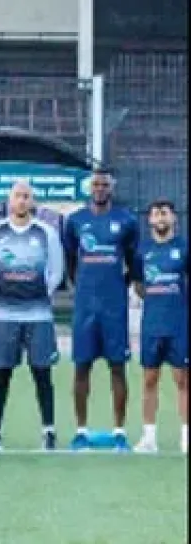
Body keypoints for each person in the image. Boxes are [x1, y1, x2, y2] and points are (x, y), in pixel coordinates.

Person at [0, 181, 64, 451]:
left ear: (32, 201)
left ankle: (49, 430)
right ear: (10, 200)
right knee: (1, 373)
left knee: (42, 373)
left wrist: (38, 293)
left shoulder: (46, 233)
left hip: (39, 316)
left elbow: (56, 271)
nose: (22, 200)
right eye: (18, 196)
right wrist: (7, 292)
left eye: (26, 196)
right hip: (4, 316)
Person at [63, 169, 140, 451]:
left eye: (104, 184)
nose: (99, 189)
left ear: (111, 188)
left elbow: (132, 261)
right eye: (95, 184)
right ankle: (81, 431)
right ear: (89, 187)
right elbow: (71, 260)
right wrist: (84, 285)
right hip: (85, 307)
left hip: (114, 308)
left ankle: (119, 431)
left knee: (117, 367)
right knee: (81, 367)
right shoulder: (75, 221)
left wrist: (118, 286)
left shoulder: (127, 221)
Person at [134, 199, 188, 454]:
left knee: (183, 380)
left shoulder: (184, 248)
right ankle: (149, 438)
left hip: (179, 324)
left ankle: (186, 437)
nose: (160, 218)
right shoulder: (142, 250)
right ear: (150, 220)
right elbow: (139, 285)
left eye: (165, 213)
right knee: (149, 379)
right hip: (152, 324)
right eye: (156, 214)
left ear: (173, 218)